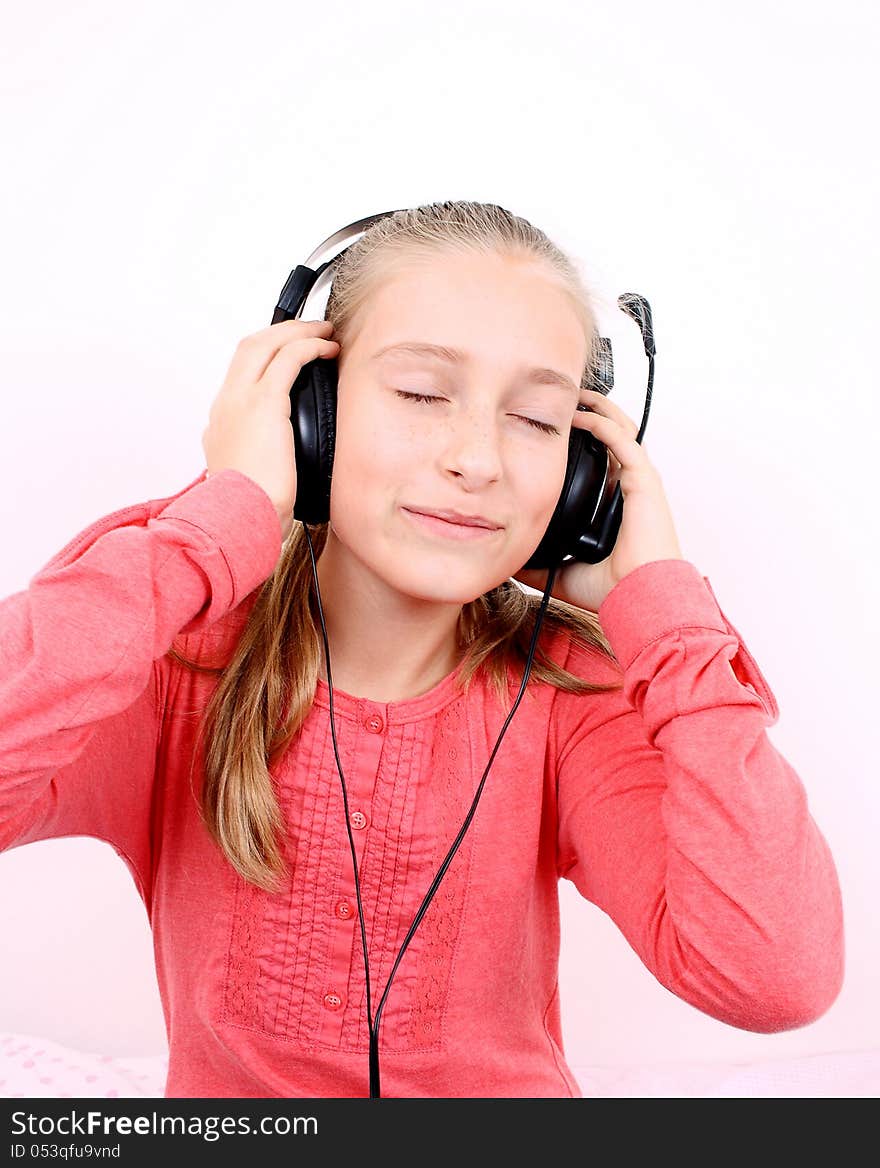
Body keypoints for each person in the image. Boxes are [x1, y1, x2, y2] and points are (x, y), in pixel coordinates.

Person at [0, 201, 844, 1099]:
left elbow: (775, 980)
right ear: (304, 413)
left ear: (583, 483)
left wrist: (664, 620)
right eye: (420, 393)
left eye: (535, 420)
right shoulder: (173, 662)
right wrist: (217, 525)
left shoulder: (571, 696)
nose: (477, 459)